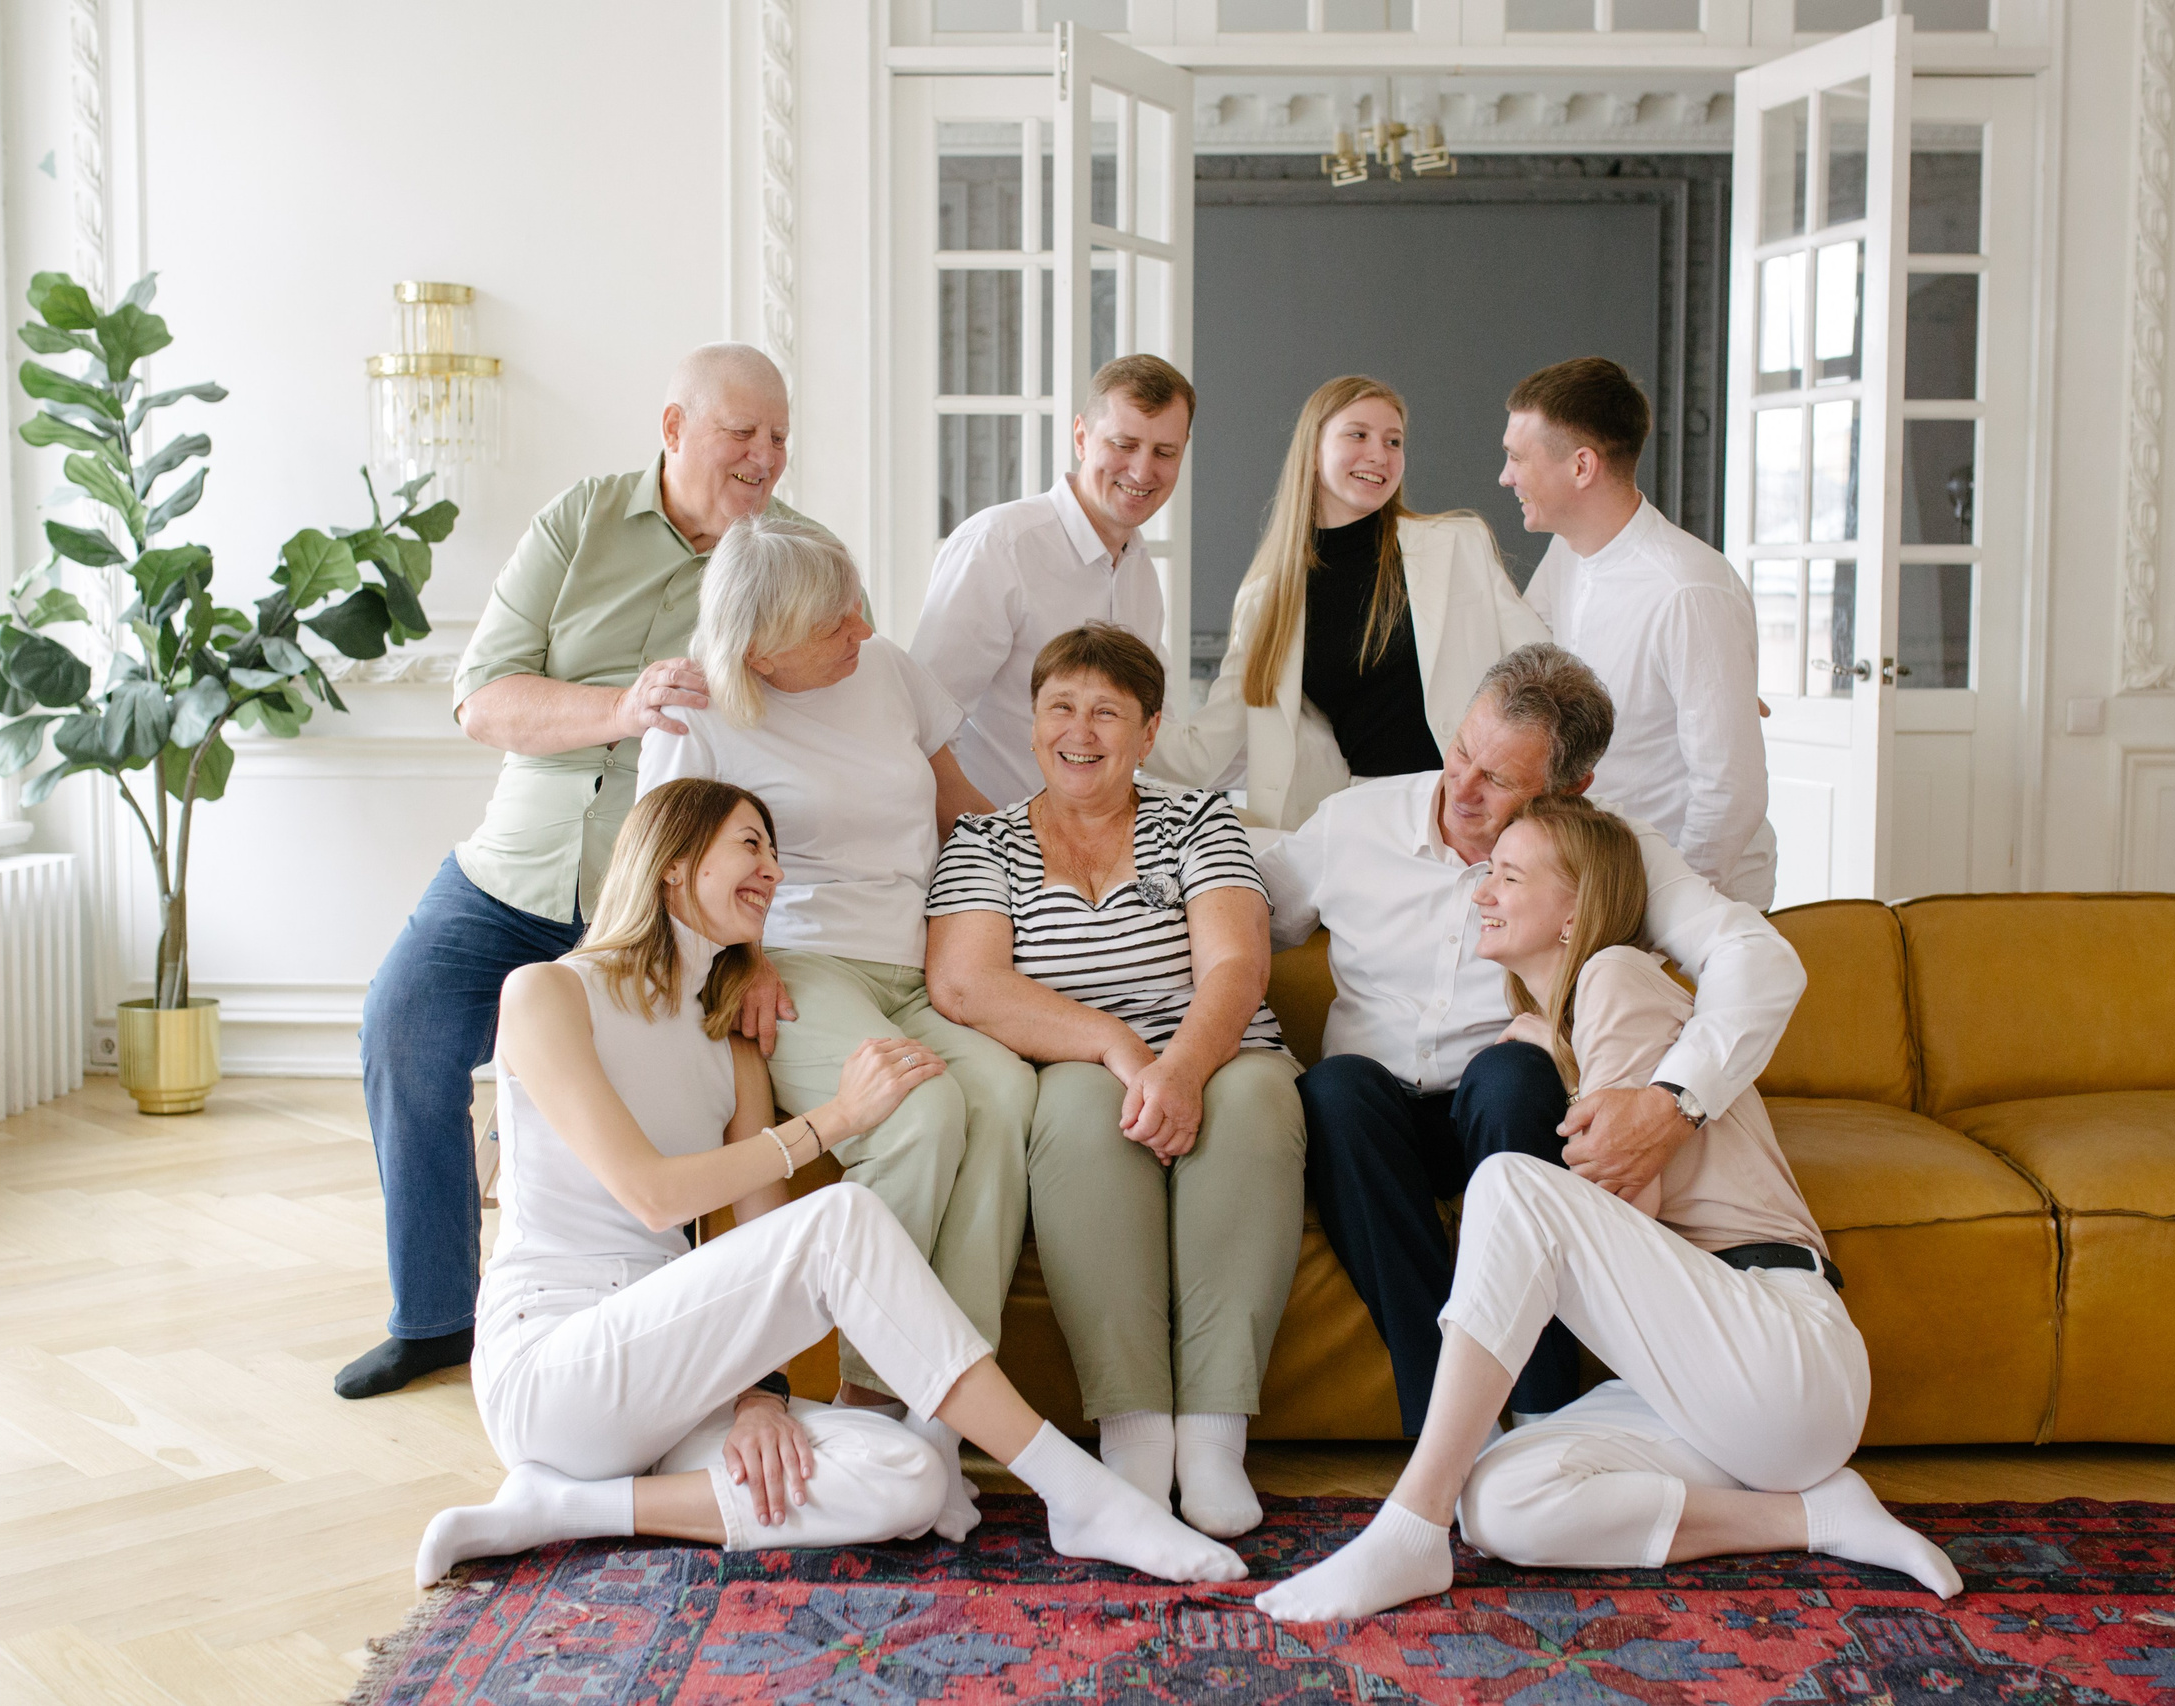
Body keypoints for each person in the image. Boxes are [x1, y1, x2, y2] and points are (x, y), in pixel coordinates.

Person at [414, 778, 1246, 1591]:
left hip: (674, 1375)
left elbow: (751, 1243)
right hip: (557, 1367)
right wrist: (835, 1120)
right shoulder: (547, 992)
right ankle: (1076, 1488)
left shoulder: (728, 1036)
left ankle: (563, 1508)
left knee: (909, 1476)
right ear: (672, 861)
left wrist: (759, 1399)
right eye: (750, 844)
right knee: (839, 1217)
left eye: (775, 852)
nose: (773, 870)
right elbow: (654, 1197)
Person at [1257, 795, 1957, 1621]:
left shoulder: (1614, 975)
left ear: (1575, 911)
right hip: (1704, 1397)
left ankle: (1410, 1523)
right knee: (1501, 1500)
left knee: (1510, 1184)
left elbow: (1629, 1199)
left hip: (1780, 1345)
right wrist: (1547, 1043)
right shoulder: (1569, 1017)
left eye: (1509, 877)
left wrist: (1548, 1053)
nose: (1482, 890)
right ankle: (1816, 1515)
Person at [342, 343, 807, 1400]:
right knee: (400, 1030)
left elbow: (810, 766)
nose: (765, 456)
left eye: (779, 436)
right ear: (676, 427)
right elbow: (481, 697)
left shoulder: (791, 555)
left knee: (676, 1088)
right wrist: (618, 707)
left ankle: (691, 1333)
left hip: (655, 909)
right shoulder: (579, 522)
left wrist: (758, 943)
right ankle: (433, 1317)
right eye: (742, 431)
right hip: (510, 867)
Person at [1255, 643, 1806, 1438]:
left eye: (1500, 780)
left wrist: (1674, 1103)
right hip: (1372, 1126)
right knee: (1336, 1089)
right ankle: (1448, 1423)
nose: (1462, 789)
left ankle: (1546, 1412)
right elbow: (1236, 906)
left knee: (1514, 1071)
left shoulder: (1610, 853)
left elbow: (1758, 958)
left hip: (1513, 1116)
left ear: (1570, 789)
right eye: (1461, 750)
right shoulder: (1354, 822)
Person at [636, 513, 1028, 1542]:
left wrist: (1052, 880)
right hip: (794, 966)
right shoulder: (699, 717)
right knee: (920, 1108)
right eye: (832, 620)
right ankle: (867, 1396)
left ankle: (939, 1420)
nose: (862, 623)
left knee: (1004, 1096)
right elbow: (668, 881)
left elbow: (960, 807)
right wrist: (744, 952)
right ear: (761, 647)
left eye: (856, 597)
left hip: (921, 957)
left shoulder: (887, 669)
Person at [924, 624, 1304, 1540]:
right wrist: (1116, 1048)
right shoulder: (985, 842)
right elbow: (966, 984)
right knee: (1081, 1111)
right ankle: (1132, 1434)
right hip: (1082, 1069)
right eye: (1060, 707)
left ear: (1148, 731)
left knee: (1251, 1099)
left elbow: (1236, 966)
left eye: (1107, 712)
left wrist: (1179, 1065)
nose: (1080, 730)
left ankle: (1213, 1438)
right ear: (1032, 724)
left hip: (1220, 1050)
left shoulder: (1201, 820)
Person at [1147, 375, 1547, 831]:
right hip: (1357, 825)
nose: (1379, 454)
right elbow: (1205, 754)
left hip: (1474, 814)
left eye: (1393, 441)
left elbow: (1546, 674)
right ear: (1313, 450)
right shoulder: (1267, 599)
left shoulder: (1458, 545)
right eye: (1358, 434)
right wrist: (1113, 730)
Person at [1508, 357, 1776, 909]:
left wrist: (1675, 907)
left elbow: (1731, 792)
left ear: (1582, 466)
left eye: (1517, 457)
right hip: (1601, 882)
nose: (1506, 476)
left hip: (1689, 895)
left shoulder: (1689, 591)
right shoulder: (1568, 554)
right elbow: (1523, 666)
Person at [910, 355, 1194, 807]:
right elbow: (924, 731)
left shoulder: (1141, 569)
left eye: (1164, 452)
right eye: (1124, 444)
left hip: (1096, 854)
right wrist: (988, 847)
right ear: (1082, 437)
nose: (1142, 472)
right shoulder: (999, 547)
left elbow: (1149, 734)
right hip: (995, 847)